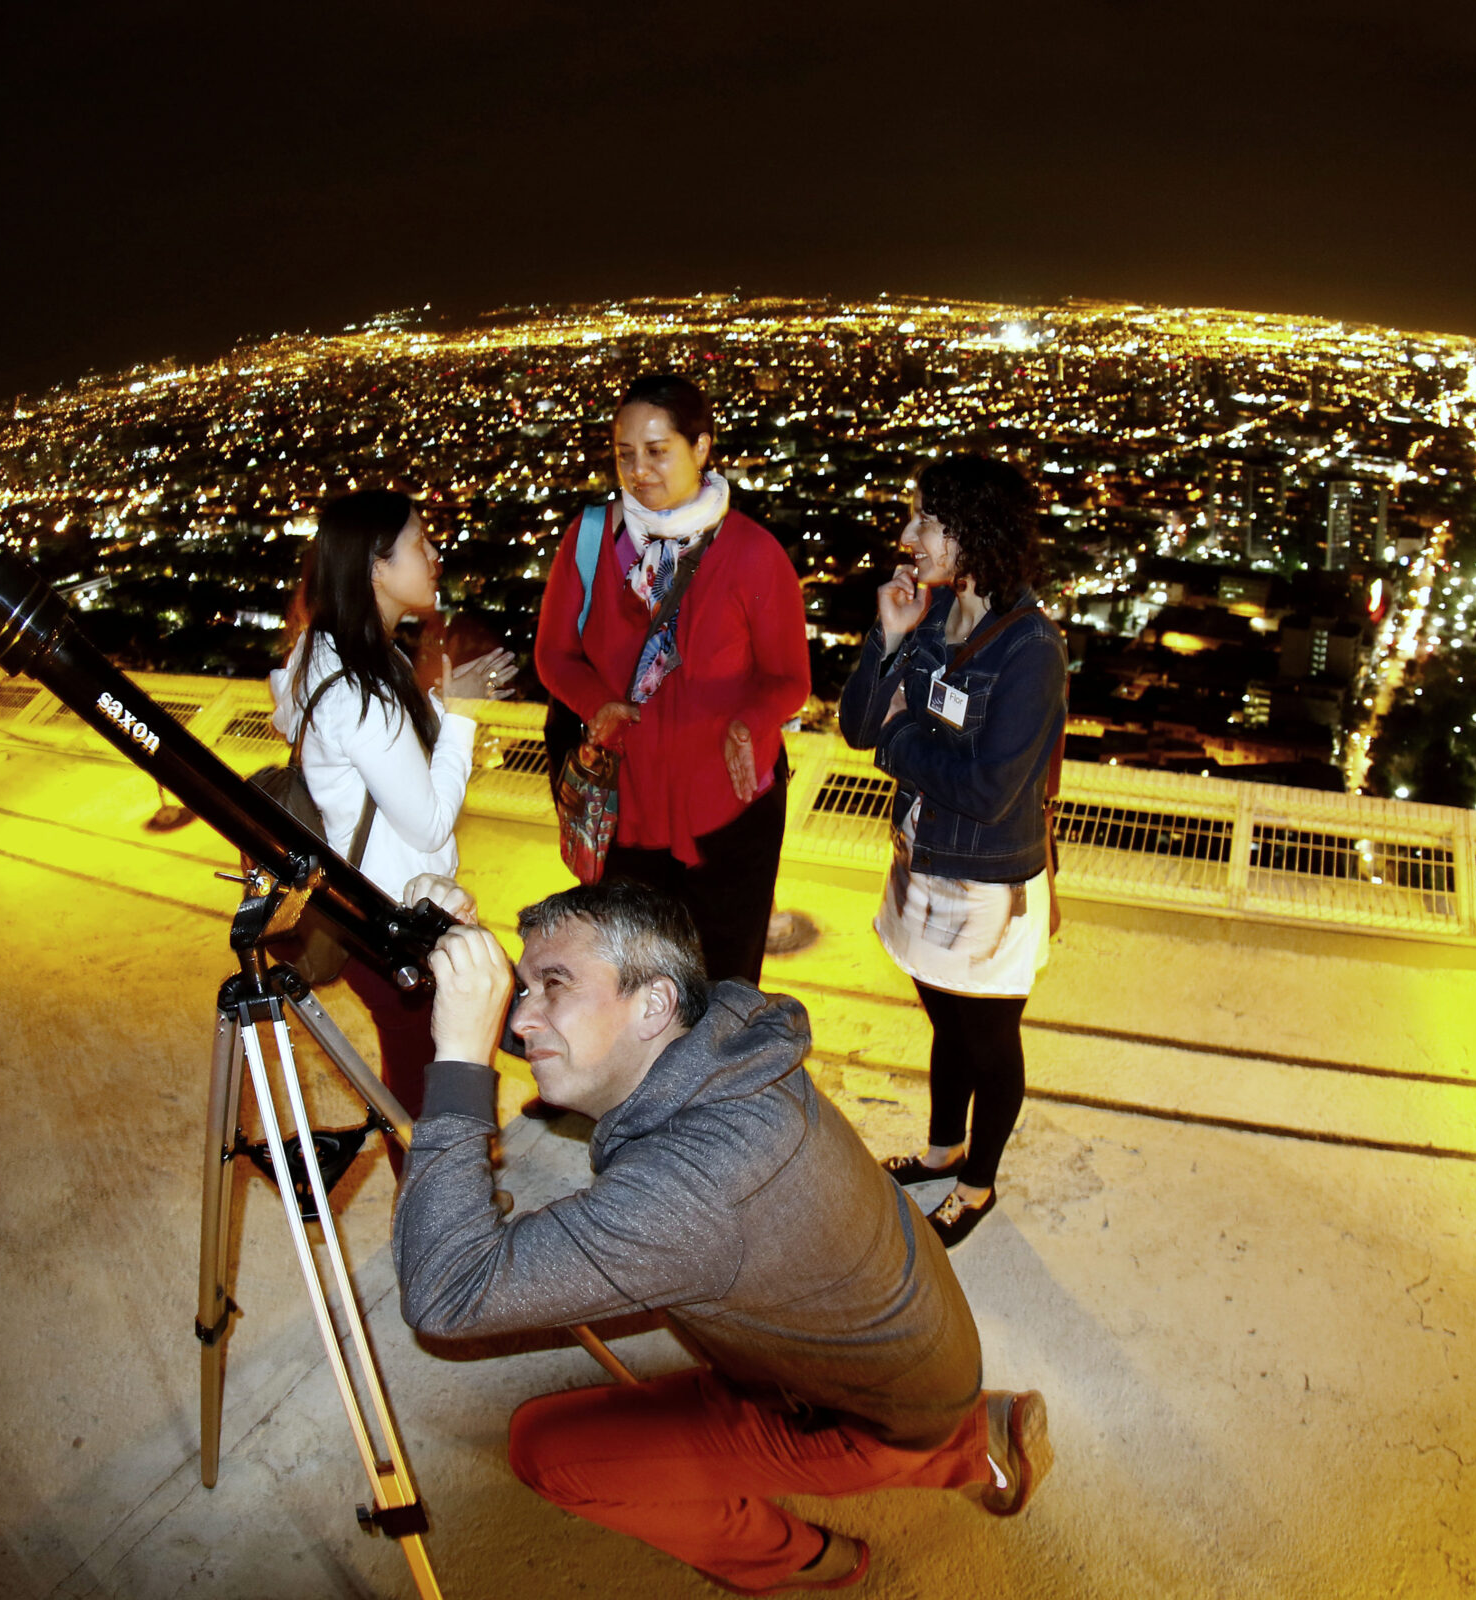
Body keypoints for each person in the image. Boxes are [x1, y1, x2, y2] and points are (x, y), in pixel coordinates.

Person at [393, 878, 1053, 1594]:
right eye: (522, 990)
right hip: (909, 1339)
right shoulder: (717, 1030)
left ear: (653, 1005)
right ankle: (969, 1431)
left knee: (548, 1452)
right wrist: (458, 962)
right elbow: (578, 1043)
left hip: (865, 1413)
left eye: (553, 984)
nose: (521, 1019)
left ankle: (803, 1555)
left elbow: (447, 1293)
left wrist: (459, 1054)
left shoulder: (695, 1190)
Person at [836, 454, 1067, 1249]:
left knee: (987, 1040)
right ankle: (943, 1147)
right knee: (944, 1017)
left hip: (987, 890)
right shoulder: (930, 615)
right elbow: (859, 726)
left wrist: (901, 736)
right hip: (920, 865)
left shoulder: (1031, 649)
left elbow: (988, 788)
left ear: (975, 534)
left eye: (926, 520)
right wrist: (886, 637)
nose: (909, 536)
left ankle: (977, 1184)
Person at [535, 372, 811, 985]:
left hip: (728, 811)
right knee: (635, 984)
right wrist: (598, 704)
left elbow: (790, 677)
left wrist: (750, 723)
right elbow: (554, 655)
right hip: (624, 808)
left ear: (702, 448)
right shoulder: (589, 541)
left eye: (657, 451)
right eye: (624, 454)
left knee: (723, 983)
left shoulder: (751, 553)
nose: (638, 470)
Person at [268, 488, 514, 1174]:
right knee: (427, 1086)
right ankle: (438, 1228)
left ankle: (451, 1196)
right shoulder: (362, 686)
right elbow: (430, 819)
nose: (435, 556)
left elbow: (290, 711)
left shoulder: (324, 652)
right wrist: (461, 716)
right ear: (376, 567)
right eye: (419, 544)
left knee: (432, 1066)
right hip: (394, 919)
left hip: (369, 904)